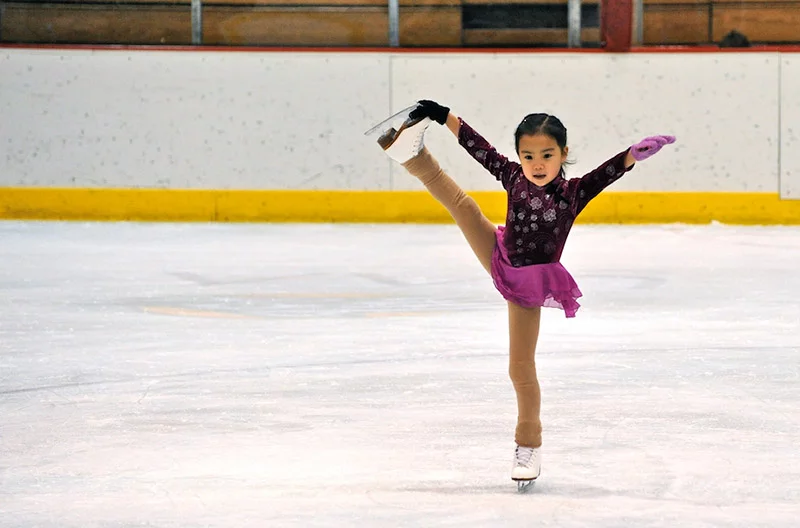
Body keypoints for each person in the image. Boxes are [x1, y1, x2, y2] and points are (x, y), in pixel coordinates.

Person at [374, 99, 675, 488]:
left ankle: (528, 445)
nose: (537, 164)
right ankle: (411, 154)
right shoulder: (513, 176)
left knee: (520, 368)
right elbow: (477, 146)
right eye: (528, 155)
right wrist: (442, 113)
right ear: (519, 155)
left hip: (528, 287)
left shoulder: (573, 193)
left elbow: (605, 174)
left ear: (563, 154)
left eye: (547, 155)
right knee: (464, 207)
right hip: (500, 254)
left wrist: (631, 155)